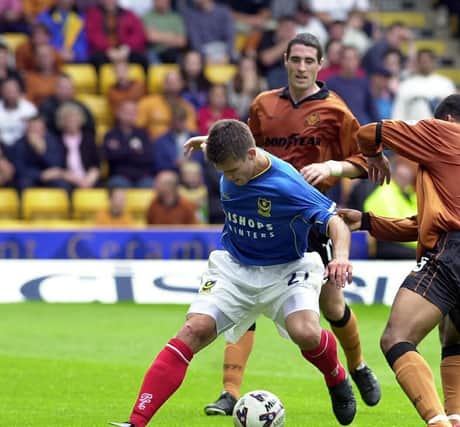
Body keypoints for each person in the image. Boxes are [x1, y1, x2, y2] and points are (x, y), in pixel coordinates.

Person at [183, 32, 385, 417]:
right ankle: (229, 391)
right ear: (286, 61)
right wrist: (210, 142)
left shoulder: (336, 111)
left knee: (331, 305)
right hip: (259, 211)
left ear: (320, 64)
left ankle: (356, 366)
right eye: (296, 60)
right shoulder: (263, 105)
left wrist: (332, 166)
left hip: (309, 216)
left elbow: (368, 162)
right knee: (242, 292)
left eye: (310, 60)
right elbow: (237, 145)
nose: (302, 67)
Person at [109, 119, 358, 427]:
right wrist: (206, 141)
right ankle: (136, 422)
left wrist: (342, 257)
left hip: (286, 269)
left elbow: (336, 222)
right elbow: (226, 141)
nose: (229, 178)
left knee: (305, 332)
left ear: (252, 154)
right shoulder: (231, 155)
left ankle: (336, 377)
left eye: (233, 171)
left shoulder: (287, 183)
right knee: (193, 330)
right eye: (223, 171)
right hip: (235, 268)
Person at [338, 94, 460, 427]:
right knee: (454, 337)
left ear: (445, 120)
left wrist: (374, 158)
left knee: (396, 338)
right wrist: (367, 222)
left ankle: (437, 423)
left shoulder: (447, 133)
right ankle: (456, 418)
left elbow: (370, 132)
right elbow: (425, 223)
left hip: (459, 252)